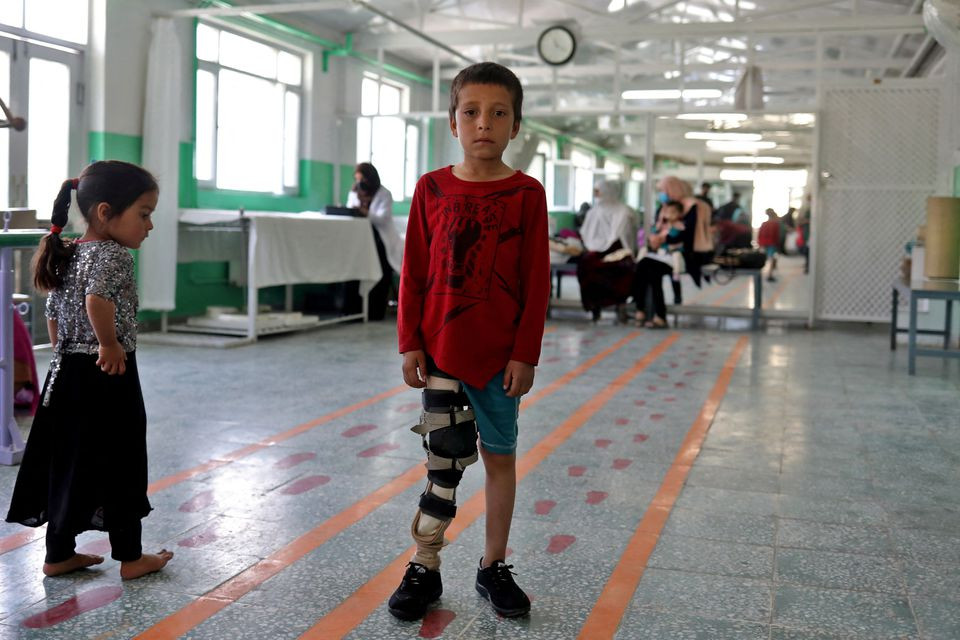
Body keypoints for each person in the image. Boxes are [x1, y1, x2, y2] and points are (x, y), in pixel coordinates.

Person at [390, 62, 549, 621]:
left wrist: (524, 353)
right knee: (442, 463)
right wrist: (410, 340)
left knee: (499, 460)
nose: (485, 123)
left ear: (516, 125)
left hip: (500, 361)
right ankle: (425, 565)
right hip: (440, 352)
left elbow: (536, 280)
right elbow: (413, 271)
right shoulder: (430, 188)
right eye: (472, 112)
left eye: (499, 113)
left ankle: (493, 565)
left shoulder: (528, 192)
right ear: (453, 122)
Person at [5, 161, 173, 580]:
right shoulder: (114, 254)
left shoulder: (69, 250)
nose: (149, 226)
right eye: (144, 213)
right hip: (106, 371)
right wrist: (109, 344)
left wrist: (67, 349)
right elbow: (97, 302)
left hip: (66, 373)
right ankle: (131, 558)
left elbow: (54, 313)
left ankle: (59, 553)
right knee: (121, 456)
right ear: (104, 212)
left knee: (69, 459)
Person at [346, 162, 403, 320]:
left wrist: (365, 212)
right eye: (357, 179)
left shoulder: (384, 193)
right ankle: (355, 311)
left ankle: (375, 312)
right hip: (360, 240)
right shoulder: (354, 193)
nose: (360, 183)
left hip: (381, 240)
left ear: (370, 178)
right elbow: (349, 210)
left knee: (380, 273)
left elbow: (383, 219)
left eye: (363, 179)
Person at [575, 180, 637, 321]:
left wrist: (608, 246)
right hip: (595, 250)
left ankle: (620, 305)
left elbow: (622, 235)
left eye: (598, 191)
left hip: (617, 249)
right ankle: (594, 306)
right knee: (587, 266)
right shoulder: (593, 212)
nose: (596, 195)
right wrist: (596, 247)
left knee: (622, 269)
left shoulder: (624, 211)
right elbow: (587, 233)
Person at [633, 200, 686, 328]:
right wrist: (658, 228)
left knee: (651, 272)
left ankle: (657, 314)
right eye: (667, 211)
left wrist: (662, 236)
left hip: (671, 259)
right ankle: (642, 308)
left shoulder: (680, 227)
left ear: (679, 214)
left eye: (673, 212)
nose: (670, 214)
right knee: (642, 267)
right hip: (655, 258)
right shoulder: (659, 226)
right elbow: (651, 238)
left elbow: (674, 240)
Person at [657, 176, 713, 292]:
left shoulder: (691, 206)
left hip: (688, 251)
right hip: (667, 249)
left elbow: (689, 233)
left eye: (664, 190)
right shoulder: (666, 207)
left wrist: (666, 239)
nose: (662, 194)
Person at [758, 208, 781, 282]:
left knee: (763, 258)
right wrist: (778, 244)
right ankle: (769, 275)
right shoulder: (775, 224)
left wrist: (759, 243)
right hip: (772, 243)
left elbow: (760, 234)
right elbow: (777, 235)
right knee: (771, 259)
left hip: (763, 243)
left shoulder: (764, 223)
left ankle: (760, 273)